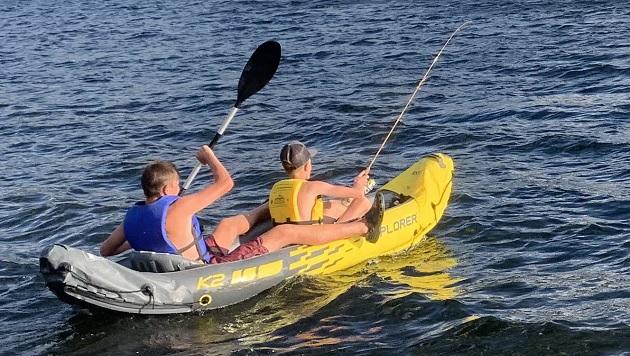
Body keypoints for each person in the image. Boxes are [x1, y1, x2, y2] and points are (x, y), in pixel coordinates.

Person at [205, 141, 385, 262]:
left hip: (291, 231)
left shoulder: (277, 188)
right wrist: (359, 184)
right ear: (307, 166)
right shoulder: (313, 186)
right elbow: (356, 193)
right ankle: (366, 226)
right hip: (305, 238)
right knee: (361, 203)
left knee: (336, 205)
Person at [100, 145, 234, 263]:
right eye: (177, 185)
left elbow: (105, 251)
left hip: (162, 272)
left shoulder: (131, 218)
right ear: (166, 189)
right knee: (234, 226)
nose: (179, 189)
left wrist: (144, 239)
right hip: (197, 269)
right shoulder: (179, 208)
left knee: (226, 225)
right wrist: (208, 155)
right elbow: (226, 183)